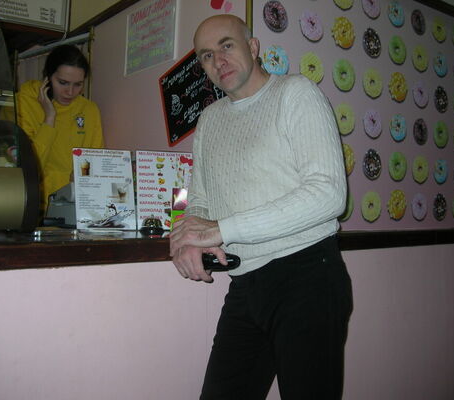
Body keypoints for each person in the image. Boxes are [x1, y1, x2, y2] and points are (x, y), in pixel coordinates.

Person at [169, 14, 353, 399]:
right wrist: (184, 240)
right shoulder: (209, 120)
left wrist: (220, 230)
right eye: (206, 55)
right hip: (245, 283)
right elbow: (199, 201)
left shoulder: (296, 93)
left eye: (227, 45)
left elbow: (329, 194)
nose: (218, 60)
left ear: (253, 47)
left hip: (307, 277)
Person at [15, 44, 104, 212]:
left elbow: (95, 161)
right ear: (47, 77)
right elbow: (29, 166)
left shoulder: (89, 109)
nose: (70, 92)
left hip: (74, 204)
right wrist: (49, 118)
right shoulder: (23, 102)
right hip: (32, 201)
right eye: (63, 83)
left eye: (78, 84)